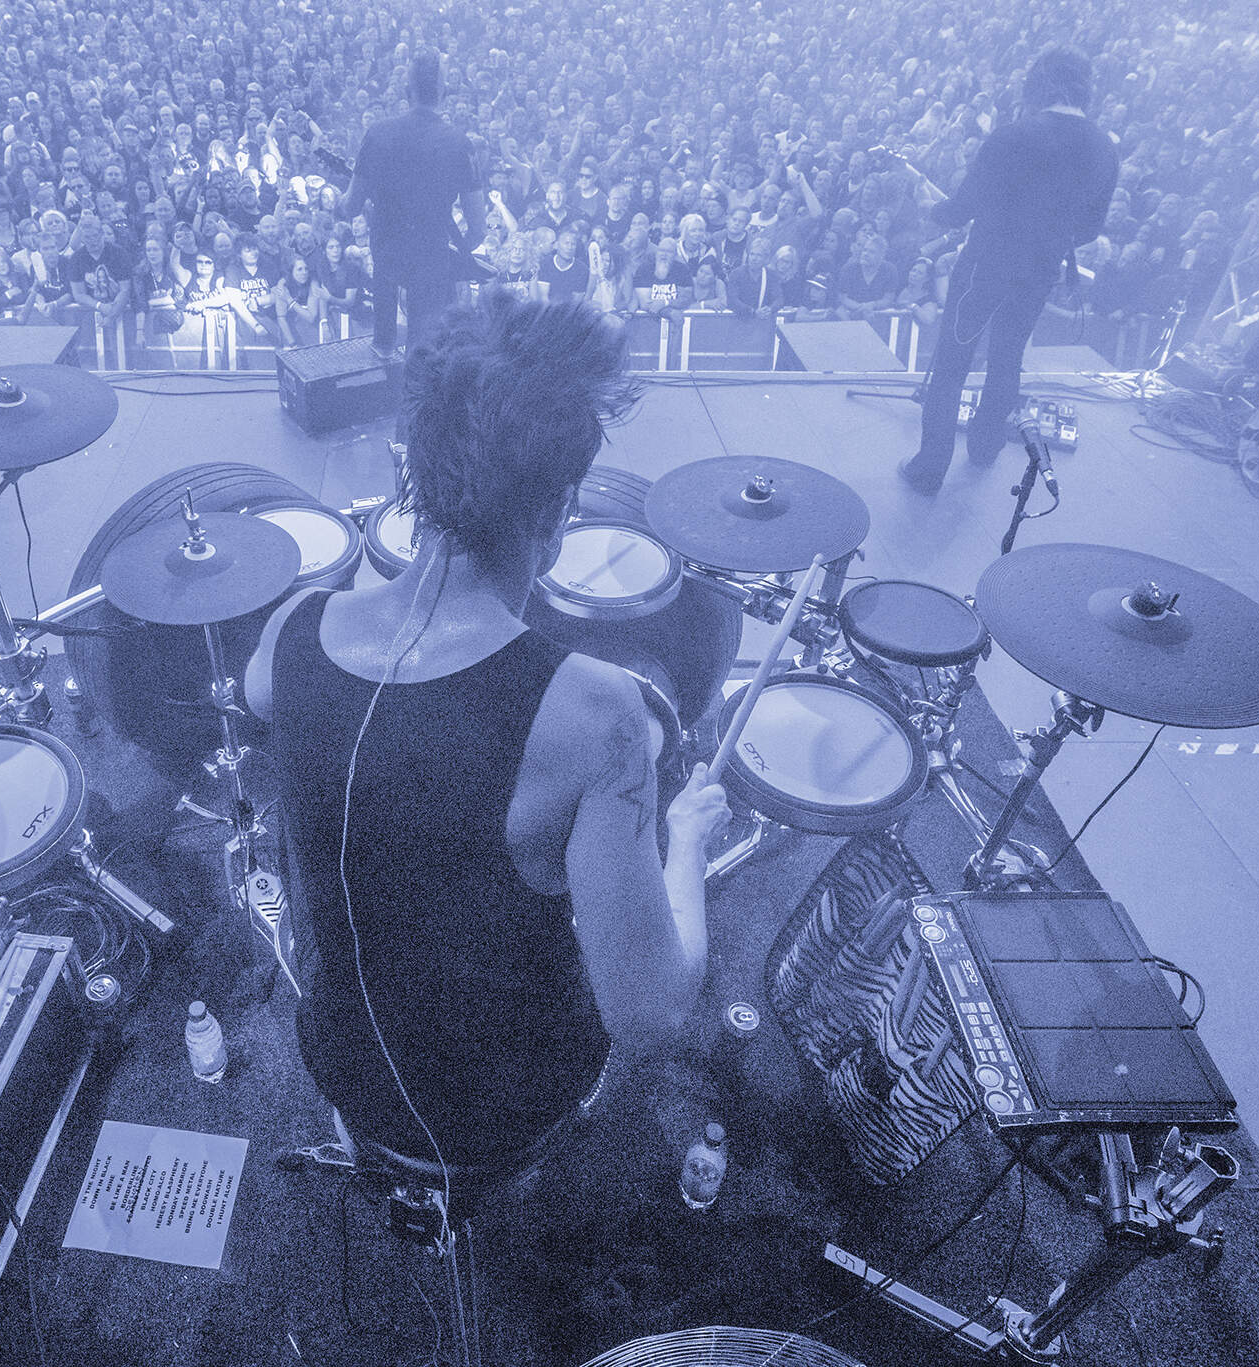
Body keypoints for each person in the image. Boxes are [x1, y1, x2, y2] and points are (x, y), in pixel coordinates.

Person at [244, 295, 729, 1170]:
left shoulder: (293, 630)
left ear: (413, 471)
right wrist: (687, 839)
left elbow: (269, 700)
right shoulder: (597, 715)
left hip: (340, 1061)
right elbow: (650, 1014)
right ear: (558, 513)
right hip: (502, 1109)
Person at [900, 48, 1119, 492]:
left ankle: (930, 468)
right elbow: (1090, 228)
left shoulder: (1014, 135)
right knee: (1007, 359)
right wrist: (1047, 237)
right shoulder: (1104, 149)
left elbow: (961, 208)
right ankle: (985, 449)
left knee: (952, 363)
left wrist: (932, 208)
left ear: (1039, 82)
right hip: (1039, 273)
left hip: (984, 268)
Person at [343, 51, 490, 357]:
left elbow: (350, 207)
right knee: (424, 353)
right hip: (432, 259)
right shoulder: (460, 143)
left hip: (386, 258)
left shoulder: (378, 133)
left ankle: (382, 355)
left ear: (406, 92)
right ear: (444, 92)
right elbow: (478, 228)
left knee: (382, 348)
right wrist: (453, 254)